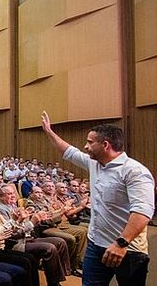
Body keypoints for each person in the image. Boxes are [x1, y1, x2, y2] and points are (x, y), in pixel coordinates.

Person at [41, 111, 154, 285]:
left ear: (105, 145)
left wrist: (121, 243)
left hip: (127, 249)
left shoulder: (134, 171)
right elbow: (69, 152)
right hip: (96, 245)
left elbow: (142, 211)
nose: (85, 147)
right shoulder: (95, 164)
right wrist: (49, 132)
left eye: (90, 142)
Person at [0, 191, 69, 286]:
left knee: (51, 247)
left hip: (13, 241)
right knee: (33, 257)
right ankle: (53, 283)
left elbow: (12, 229)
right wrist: (22, 221)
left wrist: (22, 220)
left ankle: (55, 282)